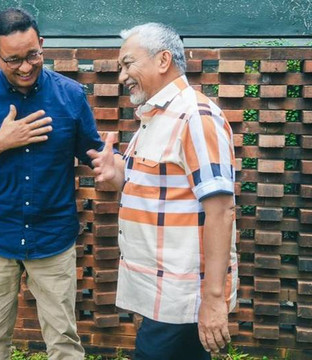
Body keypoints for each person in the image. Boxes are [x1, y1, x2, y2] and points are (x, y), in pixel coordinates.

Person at [0, 8, 104, 360]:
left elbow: (93, 152)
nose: (27, 67)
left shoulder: (71, 95)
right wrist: (0, 142)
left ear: (42, 44)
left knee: (64, 341)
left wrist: (112, 163)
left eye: (33, 55)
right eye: (14, 59)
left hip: (53, 237)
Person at [87, 23, 238, 359]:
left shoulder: (195, 117)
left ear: (163, 60)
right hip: (156, 293)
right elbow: (155, 188)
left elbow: (221, 210)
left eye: (128, 64)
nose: (122, 76)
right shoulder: (154, 118)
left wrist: (214, 298)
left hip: (180, 296)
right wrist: (116, 174)